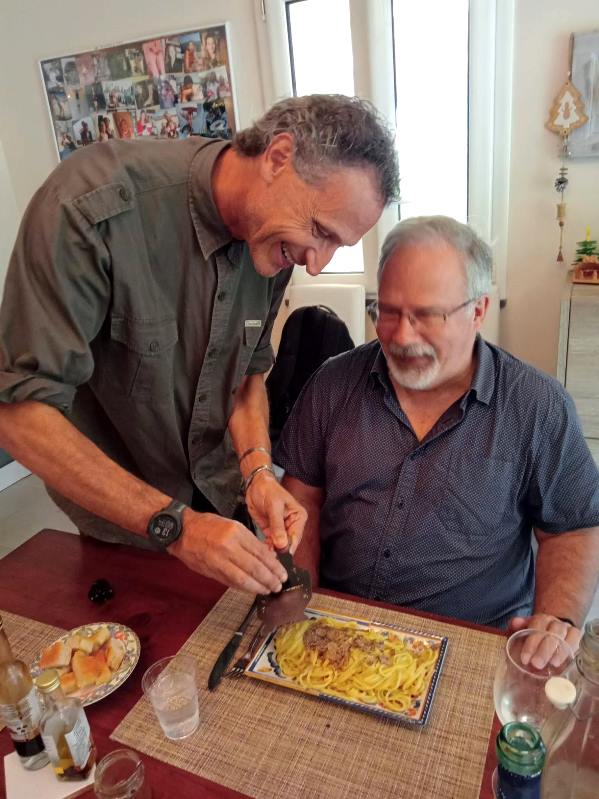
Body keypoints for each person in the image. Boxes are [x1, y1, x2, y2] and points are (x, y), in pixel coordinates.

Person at [0, 94, 398, 597]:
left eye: (337, 245)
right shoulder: (92, 209)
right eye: (320, 231)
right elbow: (19, 414)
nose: (316, 263)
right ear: (278, 158)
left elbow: (248, 372)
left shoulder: (273, 246)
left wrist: (256, 470)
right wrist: (177, 526)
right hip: (119, 520)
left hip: (218, 495)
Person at [275, 215, 599, 655]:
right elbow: (301, 497)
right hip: (341, 627)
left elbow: (573, 528)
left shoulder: (538, 407)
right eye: (387, 311)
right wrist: (303, 600)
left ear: (479, 311)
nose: (402, 336)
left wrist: (556, 620)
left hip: (471, 642)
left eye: (427, 315)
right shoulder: (333, 384)